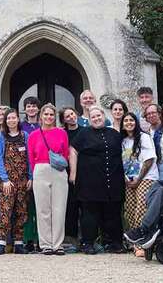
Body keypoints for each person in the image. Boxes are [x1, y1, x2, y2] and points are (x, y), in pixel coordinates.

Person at [69, 106, 124, 255]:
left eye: (98, 115)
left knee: (112, 212)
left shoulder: (114, 133)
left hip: (112, 179)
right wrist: (73, 173)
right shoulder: (83, 133)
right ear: (90, 119)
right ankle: (88, 243)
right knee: (90, 212)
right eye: (93, 117)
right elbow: (73, 150)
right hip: (89, 180)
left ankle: (115, 243)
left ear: (103, 116)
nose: (96, 118)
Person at [28, 103, 69, 255]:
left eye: (51, 114)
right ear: (41, 116)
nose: (49, 117)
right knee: (42, 209)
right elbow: (31, 157)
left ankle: (58, 244)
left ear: (54, 117)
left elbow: (65, 153)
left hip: (58, 171)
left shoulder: (61, 133)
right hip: (40, 170)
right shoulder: (34, 135)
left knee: (59, 208)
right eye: (46, 114)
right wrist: (34, 174)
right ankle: (45, 244)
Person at [0, 108, 32, 255]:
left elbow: (29, 158)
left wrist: (30, 177)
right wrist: (4, 179)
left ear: (18, 119)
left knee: (21, 212)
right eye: (8, 118)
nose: (11, 120)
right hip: (7, 182)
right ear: (5, 121)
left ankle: (19, 243)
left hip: (23, 181)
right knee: (5, 211)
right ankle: (1, 243)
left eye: (13, 118)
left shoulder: (25, 136)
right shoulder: (1, 137)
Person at [120, 112, 158, 258]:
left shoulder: (144, 137)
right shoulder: (122, 141)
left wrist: (139, 179)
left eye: (131, 120)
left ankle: (141, 243)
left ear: (136, 122)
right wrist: (126, 180)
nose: (129, 122)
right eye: (126, 120)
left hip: (146, 177)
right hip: (128, 179)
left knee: (141, 207)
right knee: (129, 209)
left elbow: (149, 160)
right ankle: (132, 242)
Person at [59, 107, 87, 252]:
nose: (71, 117)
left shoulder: (85, 131)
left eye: (72, 114)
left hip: (85, 172)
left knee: (85, 206)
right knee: (70, 206)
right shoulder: (62, 133)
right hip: (67, 173)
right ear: (63, 120)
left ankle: (86, 239)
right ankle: (71, 238)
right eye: (67, 116)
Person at [20, 96, 41, 251]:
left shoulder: (43, 125)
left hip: (41, 169)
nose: (31, 109)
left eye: (34, 106)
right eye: (28, 106)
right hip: (25, 171)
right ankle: (27, 239)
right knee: (26, 207)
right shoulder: (21, 127)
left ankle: (41, 240)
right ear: (25, 109)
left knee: (41, 207)